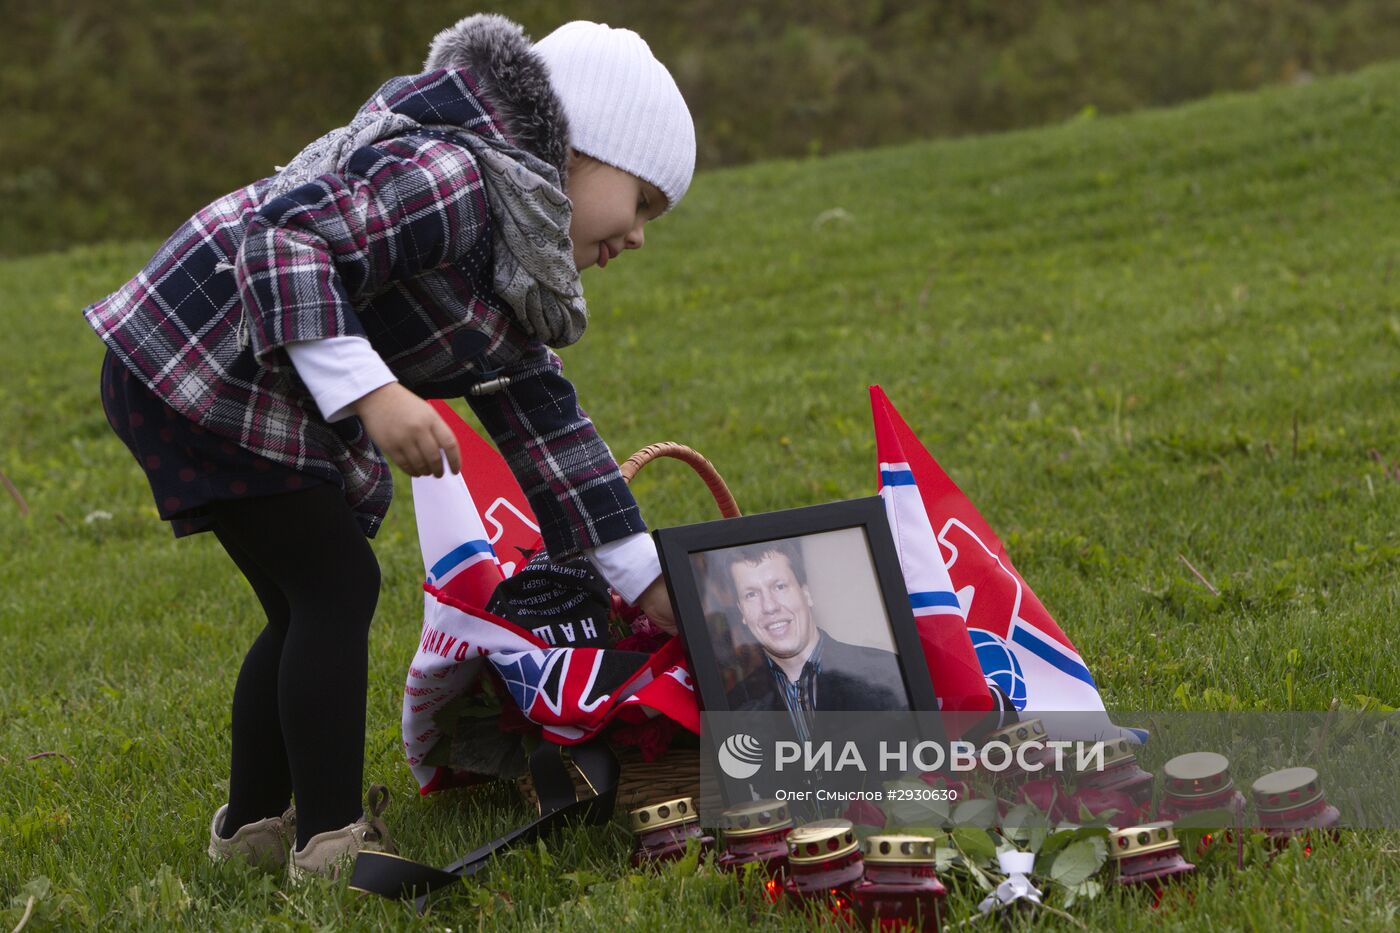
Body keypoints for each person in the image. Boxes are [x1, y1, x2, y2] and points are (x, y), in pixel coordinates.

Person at [83, 15, 691, 879]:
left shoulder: (514, 264)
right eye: (644, 202)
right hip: (199, 358)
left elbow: (552, 426)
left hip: (225, 375)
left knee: (305, 600)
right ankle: (331, 844)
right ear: (585, 156)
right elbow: (286, 239)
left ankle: (252, 828)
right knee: (336, 586)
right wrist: (374, 392)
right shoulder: (455, 177)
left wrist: (647, 579)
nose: (638, 236)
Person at [718, 540, 910, 737]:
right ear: (742, 611)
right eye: (751, 594)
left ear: (807, 593)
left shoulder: (890, 674)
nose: (769, 606)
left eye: (780, 586)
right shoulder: (733, 708)